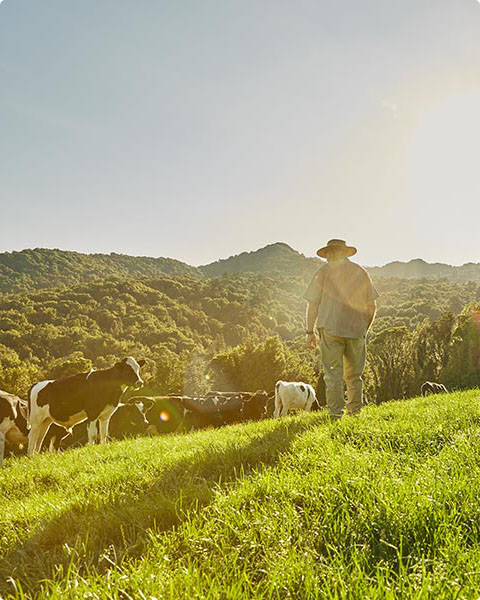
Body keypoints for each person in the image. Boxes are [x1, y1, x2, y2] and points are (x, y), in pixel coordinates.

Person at [304, 239, 378, 419]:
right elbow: (372, 306)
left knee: (333, 376)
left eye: (330, 253)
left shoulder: (322, 273)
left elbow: (313, 304)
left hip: (330, 329)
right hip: (356, 331)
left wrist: (309, 332)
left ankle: (336, 415)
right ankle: (355, 413)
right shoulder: (361, 272)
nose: (328, 256)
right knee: (354, 376)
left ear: (334, 253)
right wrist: (363, 330)